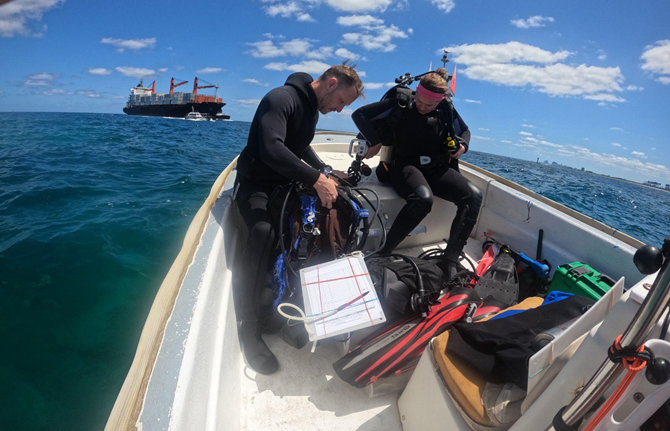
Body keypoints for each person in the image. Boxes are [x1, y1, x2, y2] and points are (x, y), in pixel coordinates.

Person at [233, 63, 364, 374]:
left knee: (318, 221)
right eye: (341, 102)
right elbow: (271, 149)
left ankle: (288, 303)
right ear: (331, 84)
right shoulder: (280, 99)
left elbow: (300, 146)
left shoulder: (312, 111)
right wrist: (316, 180)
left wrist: (324, 171)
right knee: (265, 231)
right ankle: (248, 326)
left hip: (283, 183)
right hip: (255, 185)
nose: (339, 109)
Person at [352, 68, 482, 280]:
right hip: (403, 165)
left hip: (436, 168)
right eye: (420, 101)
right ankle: (385, 251)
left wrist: (462, 147)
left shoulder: (446, 109)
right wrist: (375, 141)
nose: (422, 107)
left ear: (439, 102)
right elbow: (360, 114)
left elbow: (464, 131)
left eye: (429, 105)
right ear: (416, 93)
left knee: (473, 195)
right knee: (423, 199)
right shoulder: (401, 102)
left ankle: (450, 259)